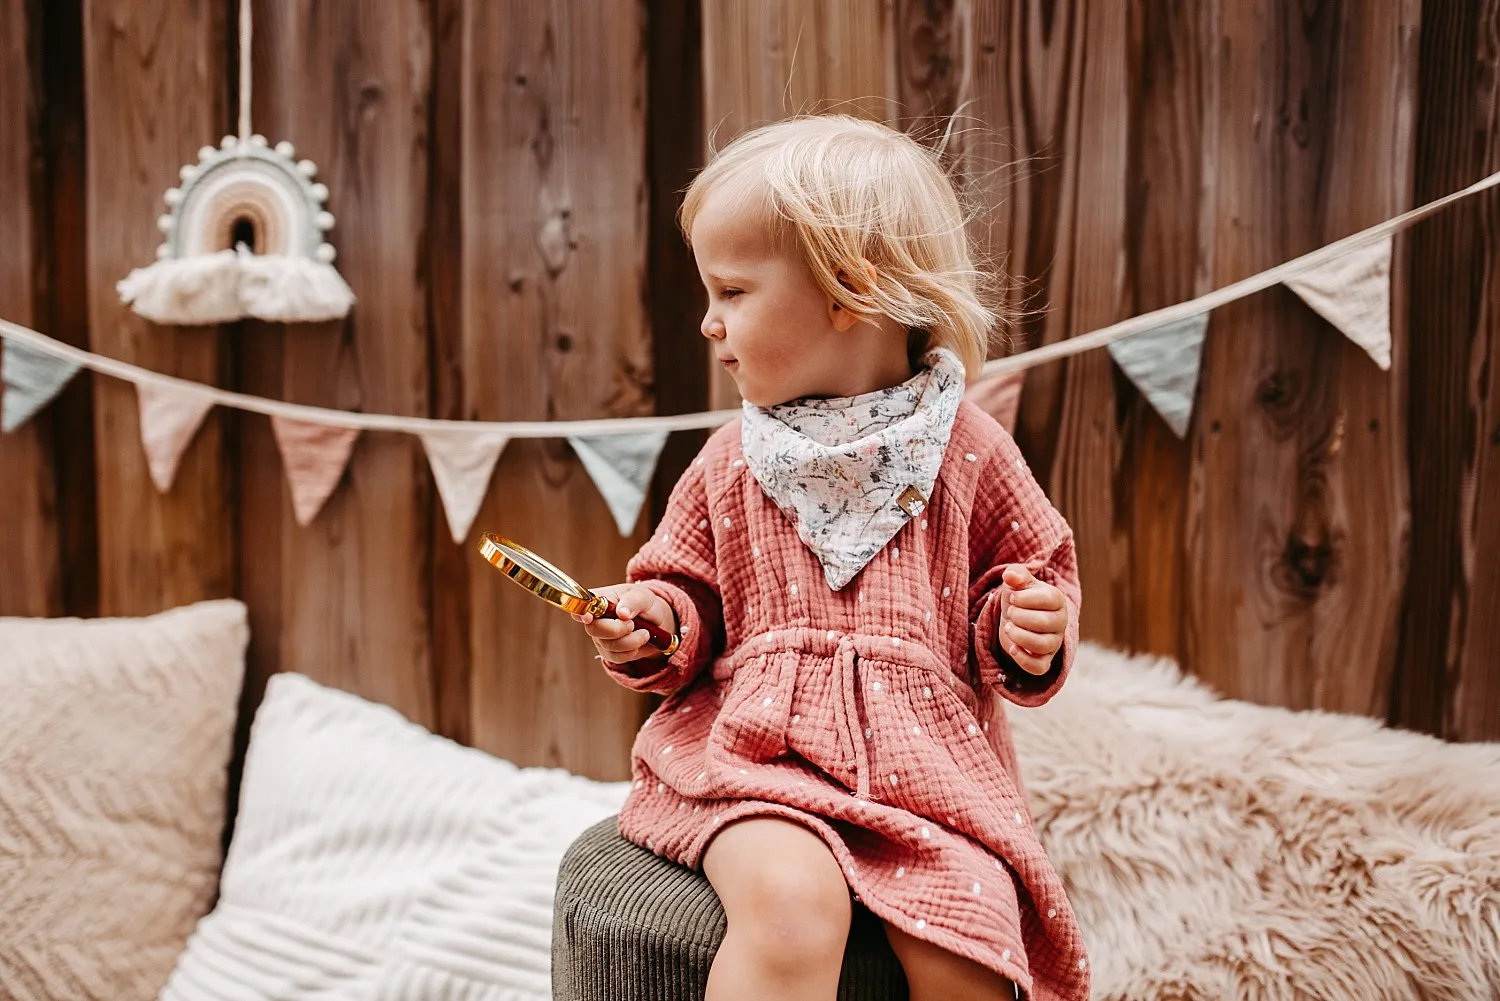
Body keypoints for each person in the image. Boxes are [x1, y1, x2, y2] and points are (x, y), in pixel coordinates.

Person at [576, 115, 1087, 1001]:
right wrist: (655, 625)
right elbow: (683, 594)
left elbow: (1031, 574)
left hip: (926, 777)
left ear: (849, 290)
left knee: (972, 952)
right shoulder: (733, 458)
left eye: (732, 291)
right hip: (757, 764)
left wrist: (1027, 622)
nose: (708, 322)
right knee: (789, 911)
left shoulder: (966, 446)